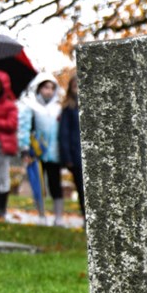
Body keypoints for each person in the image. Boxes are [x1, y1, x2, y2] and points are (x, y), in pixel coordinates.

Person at [18, 73, 63, 226]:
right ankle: (41, 215)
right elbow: (24, 128)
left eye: (51, 88)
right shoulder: (30, 105)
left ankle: (58, 217)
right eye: (45, 87)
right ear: (38, 88)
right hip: (36, 152)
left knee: (55, 184)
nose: (48, 91)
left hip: (55, 153)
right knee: (38, 184)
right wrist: (24, 148)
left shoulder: (58, 107)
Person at [0, 69, 18, 221]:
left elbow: (12, 124)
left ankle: (1, 210)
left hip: (1, 145)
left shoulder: (9, 105)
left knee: (2, 176)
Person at [57, 74, 84, 219]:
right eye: (75, 86)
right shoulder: (68, 108)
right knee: (81, 188)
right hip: (76, 155)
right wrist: (67, 157)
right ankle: (86, 217)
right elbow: (64, 134)